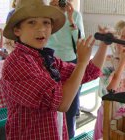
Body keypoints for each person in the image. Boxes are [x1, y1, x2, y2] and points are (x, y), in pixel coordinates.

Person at [1, 0, 108, 139]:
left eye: (46, 22)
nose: (41, 29)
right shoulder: (17, 63)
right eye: (32, 22)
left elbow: (89, 72)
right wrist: (81, 62)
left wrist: (105, 44)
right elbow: (61, 103)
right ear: (17, 30)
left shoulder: (46, 58)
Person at [48, 0, 84, 138]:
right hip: (49, 61)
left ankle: (69, 135)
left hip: (70, 61)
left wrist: (70, 19)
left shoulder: (75, 15)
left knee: (71, 105)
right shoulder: (47, 13)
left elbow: (80, 40)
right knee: (51, 103)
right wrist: (51, 13)